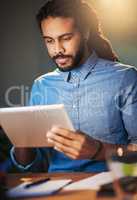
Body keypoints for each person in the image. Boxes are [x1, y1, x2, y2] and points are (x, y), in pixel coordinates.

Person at [10, 0, 137, 173]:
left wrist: (98, 151)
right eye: (49, 41)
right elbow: (34, 165)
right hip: (57, 192)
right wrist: (21, 140)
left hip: (111, 188)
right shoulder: (41, 85)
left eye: (66, 38)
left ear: (85, 33)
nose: (57, 50)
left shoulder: (125, 78)